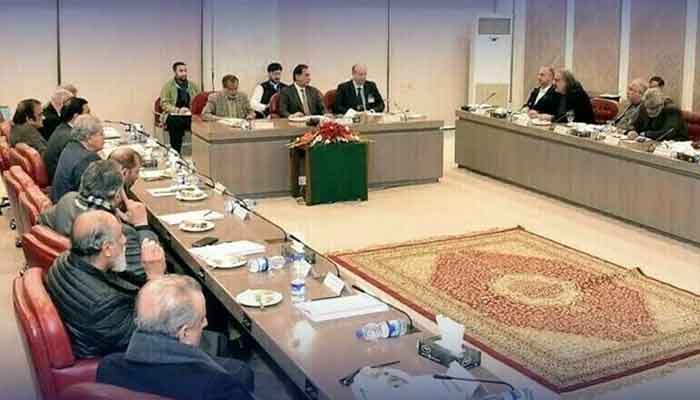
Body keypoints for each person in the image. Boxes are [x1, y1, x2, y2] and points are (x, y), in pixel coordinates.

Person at [97, 275, 255, 400]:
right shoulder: (219, 386)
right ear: (184, 333)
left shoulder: (108, 368)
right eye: (201, 319)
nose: (206, 323)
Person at [45, 210, 166, 358]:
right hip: (119, 356)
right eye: (120, 236)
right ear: (107, 249)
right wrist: (156, 277)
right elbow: (146, 337)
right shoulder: (103, 303)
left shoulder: (66, 260)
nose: (125, 240)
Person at [41, 160, 158, 283]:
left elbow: (41, 220)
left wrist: (116, 214)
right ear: (118, 195)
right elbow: (145, 272)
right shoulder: (120, 233)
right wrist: (142, 226)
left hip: (71, 276)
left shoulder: (67, 200)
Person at [51, 114, 104, 202]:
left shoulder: (71, 146)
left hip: (62, 203)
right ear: (88, 137)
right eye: (101, 134)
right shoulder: (88, 159)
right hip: (72, 207)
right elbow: (96, 194)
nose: (104, 137)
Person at [43, 97, 90, 181]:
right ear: (76, 117)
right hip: (61, 181)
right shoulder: (70, 138)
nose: (90, 116)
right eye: (87, 113)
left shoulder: (62, 128)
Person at [160, 62, 201, 154]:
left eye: (185, 71)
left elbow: (199, 100)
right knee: (175, 122)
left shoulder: (193, 86)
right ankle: (176, 152)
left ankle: (200, 152)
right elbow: (164, 103)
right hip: (174, 115)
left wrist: (192, 109)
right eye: (181, 71)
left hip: (190, 115)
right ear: (175, 72)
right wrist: (178, 110)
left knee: (200, 123)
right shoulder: (168, 86)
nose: (184, 73)